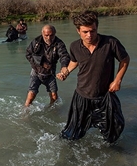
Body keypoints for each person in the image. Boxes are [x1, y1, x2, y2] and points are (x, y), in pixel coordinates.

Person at [56, 11, 130, 144]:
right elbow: (75, 61)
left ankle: (110, 154)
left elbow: (124, 60)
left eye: (93, 31)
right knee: (72, 134)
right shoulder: (74, 46)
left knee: (115, 128)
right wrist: (66, 72)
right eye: (85, 32)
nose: (89, 35)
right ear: (78, 30)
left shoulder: (110, 43)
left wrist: (117, 80)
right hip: (82, 96)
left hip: (105, 96)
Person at [24, 24, 70, 107]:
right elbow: (28, 54)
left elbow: (64, 56)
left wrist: (64, 67)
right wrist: (40, 63)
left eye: (51, 35)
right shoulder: (36, 42)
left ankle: (52, 112)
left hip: (50, 73)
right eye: (46, 35)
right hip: (36, 71)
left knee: (54, 96)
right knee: (31, 95)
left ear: (55, 33)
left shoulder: (59, 43)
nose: (49, 38)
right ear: (42, 34)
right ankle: (25, 112)